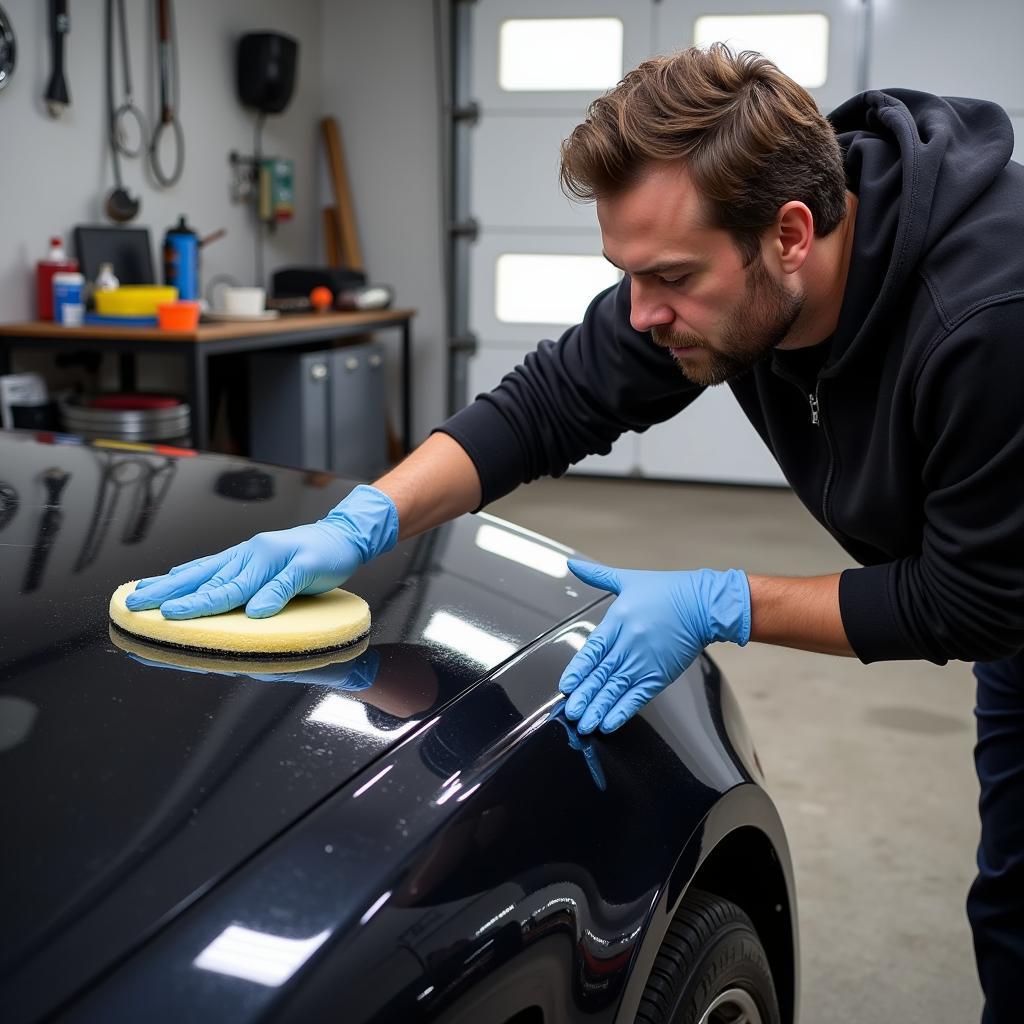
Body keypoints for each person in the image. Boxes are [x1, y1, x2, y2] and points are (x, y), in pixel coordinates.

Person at [127, 45, 1023, 1019]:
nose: (643, 313)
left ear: (791, 233)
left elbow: (974, 599)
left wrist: (722, 599)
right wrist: (362, 520)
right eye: (625, 274)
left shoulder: (985, 322)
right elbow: (551, 401)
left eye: (670, 277)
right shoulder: (739, 259)